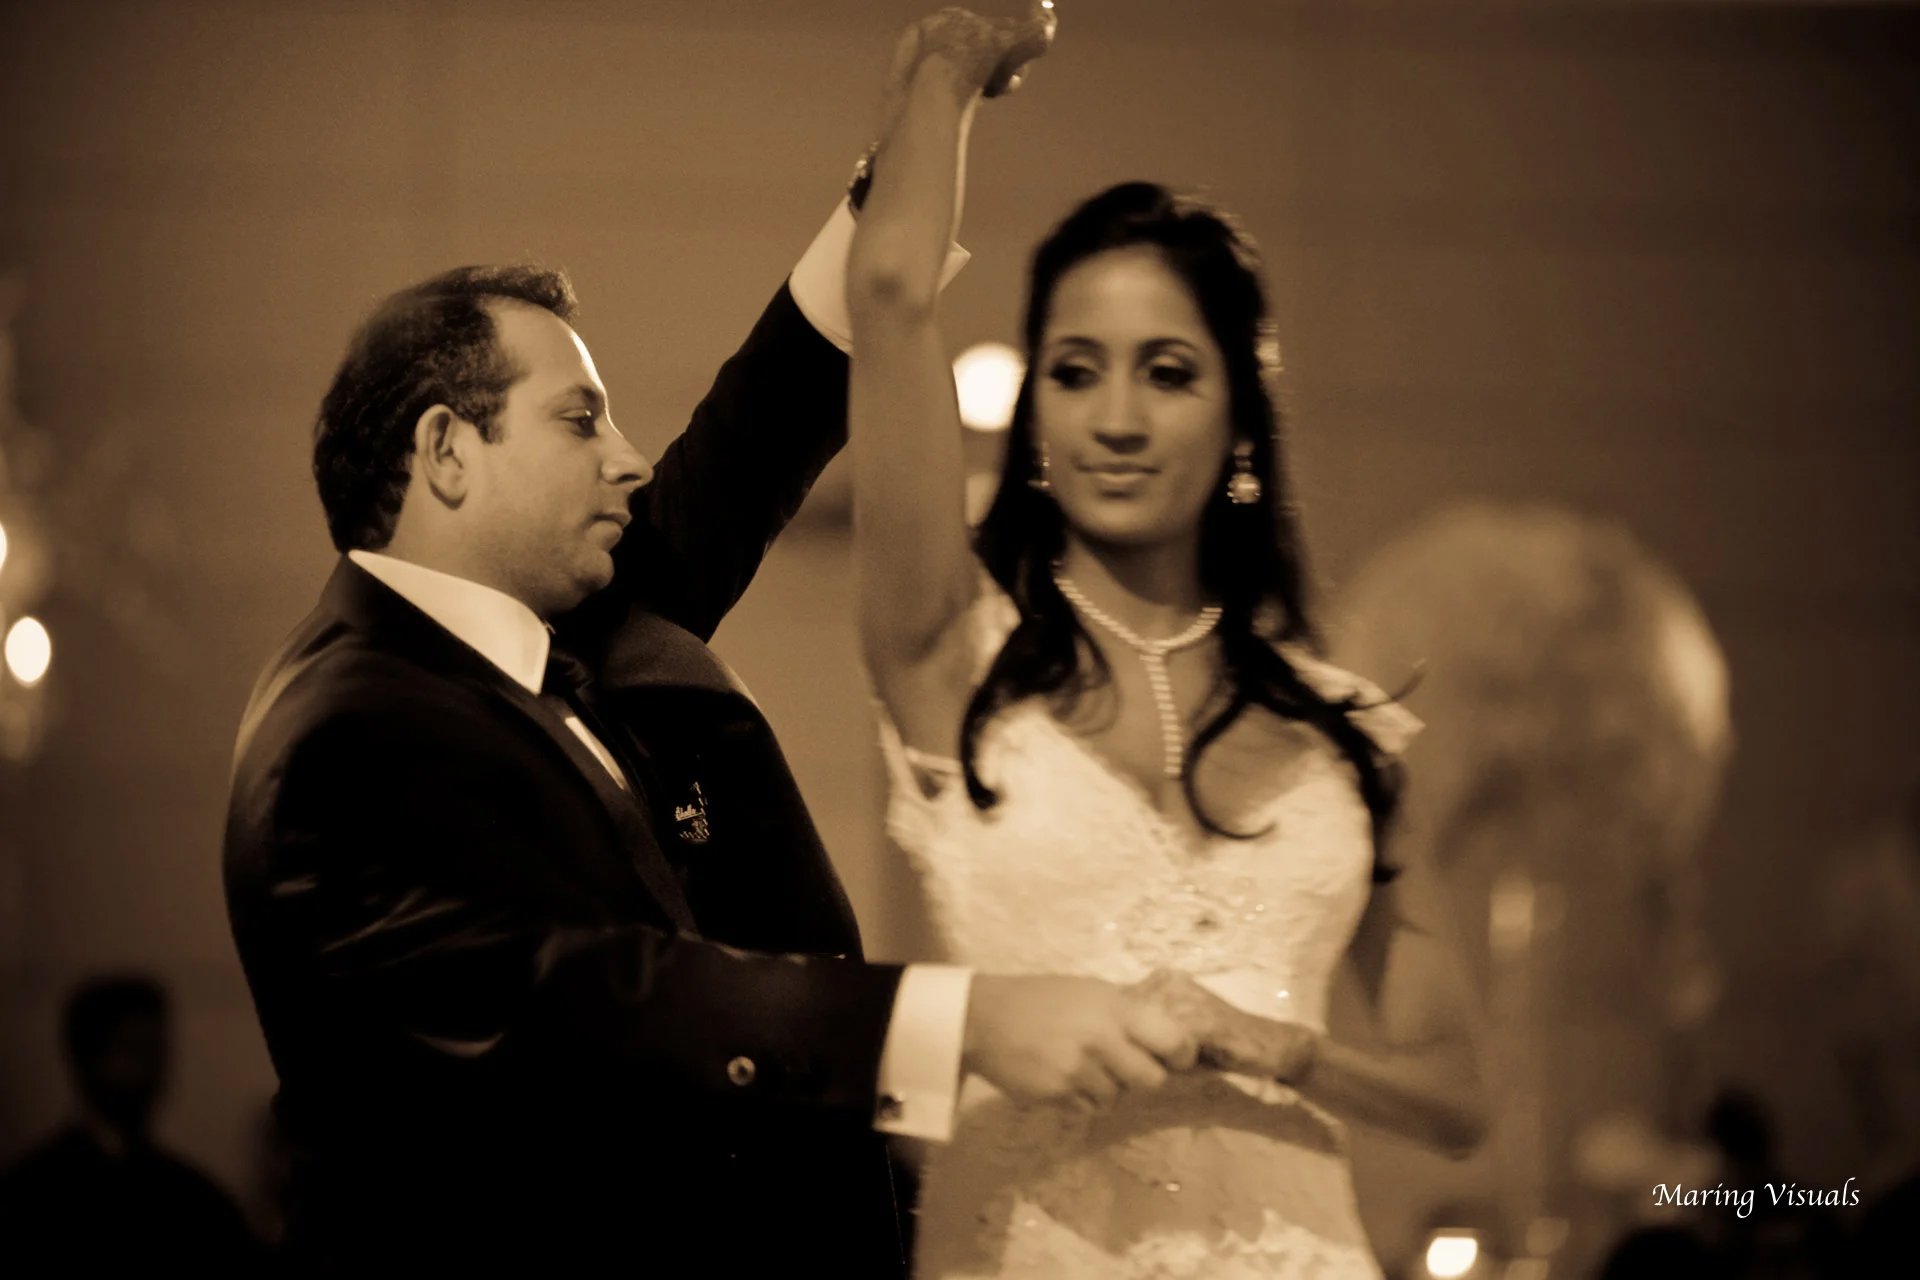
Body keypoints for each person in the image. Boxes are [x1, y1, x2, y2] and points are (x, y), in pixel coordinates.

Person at [221, 11, 1267, 1275]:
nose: (628, 460)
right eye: (580, 420)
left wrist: (928, 119)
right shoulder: (347, 732)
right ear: (447, 451)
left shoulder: (558, 637)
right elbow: (591, 995)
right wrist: (953, 1020)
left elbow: (754, 430)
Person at [844, 10, 1489, 1276]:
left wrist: (1287, 1045)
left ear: (1242, 413)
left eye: (1168, 372)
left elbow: (1461, 1091)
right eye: (1076, 372)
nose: (1118, 418)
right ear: (1034, 412)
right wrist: (947, 67)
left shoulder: (1343, 731)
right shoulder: (948, 655)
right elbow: (886, 291)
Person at [0, 976, 263, 1274]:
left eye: (158, 1051)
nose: (154, 1069)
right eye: (135, 1051)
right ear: (87, 1058)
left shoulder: (192, 1197)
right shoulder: (32, 1194)